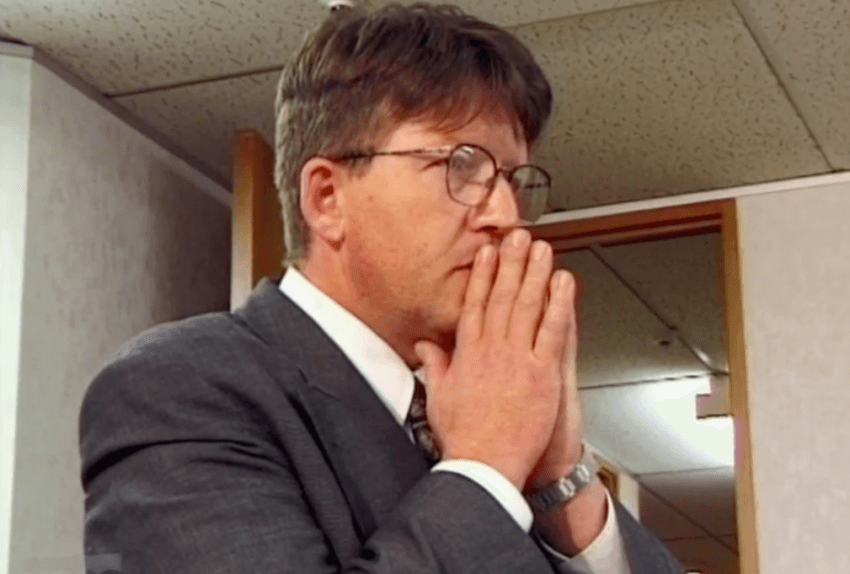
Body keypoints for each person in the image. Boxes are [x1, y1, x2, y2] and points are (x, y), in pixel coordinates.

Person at [79, 4, 682, 573]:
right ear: (327, 198)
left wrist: (561, 481)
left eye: (512, 180)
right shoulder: (175, 388)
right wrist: (485, 464)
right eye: (462, 165)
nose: (505, 215)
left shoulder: (487, 411)